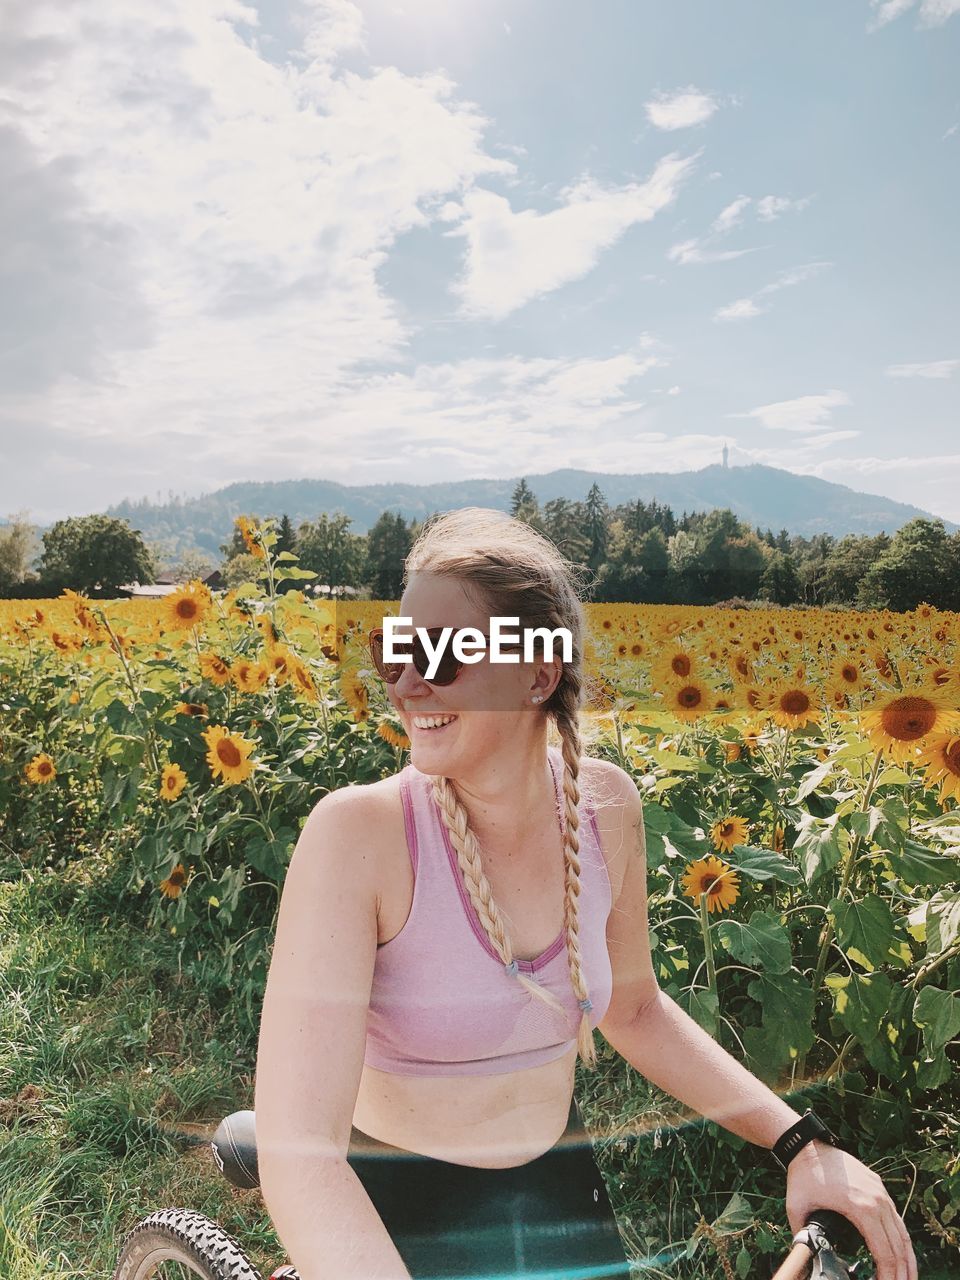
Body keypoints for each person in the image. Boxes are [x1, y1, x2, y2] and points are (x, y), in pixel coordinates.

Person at [254, 507, 917, 1280]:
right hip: (388, 1213)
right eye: (392, 650)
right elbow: (301, 1156)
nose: (403, 683)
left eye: (436, 652)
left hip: (561, 1197)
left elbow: (633, 1008)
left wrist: (800, 1141)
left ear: (538, 674)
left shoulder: (604, 807)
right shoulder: (360, 835)